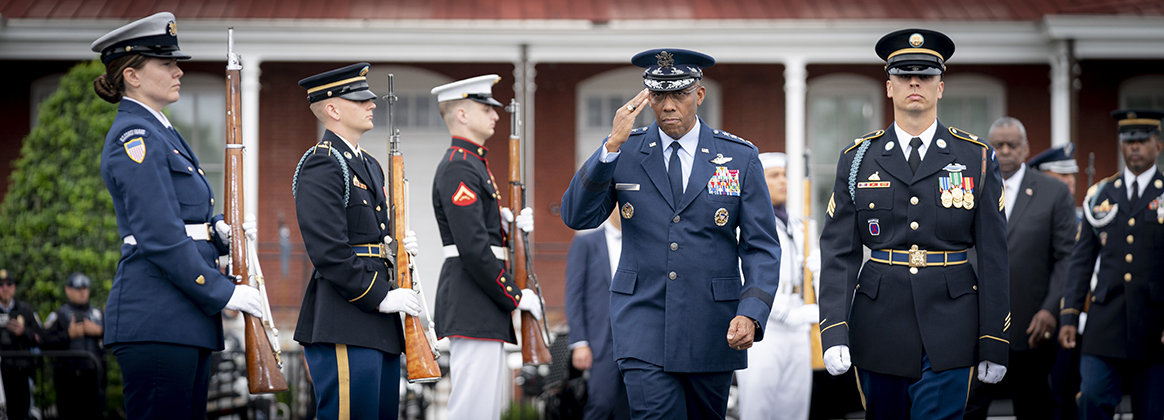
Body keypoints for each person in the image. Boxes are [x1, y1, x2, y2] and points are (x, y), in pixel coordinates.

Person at [560, 48, 782, 420]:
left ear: (699, 95)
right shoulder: (625, 151)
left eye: (678, 94)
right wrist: (609, 147)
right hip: (641, 322)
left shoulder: (739, 157)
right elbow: (576, 216)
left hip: (713, 324)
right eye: (659, 95)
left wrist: (753, 311)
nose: (668, 105)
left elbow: (761, 246)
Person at [817, 29, 1010, 420]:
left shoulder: (975, 157)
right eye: (904, 75)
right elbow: (839, 251)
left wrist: (994, 340)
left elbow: (994, 256)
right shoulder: (859, 158)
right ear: (889, 87)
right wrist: (834, 329)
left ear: (941, 86)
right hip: (879, 323)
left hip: (952, 325)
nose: (915, 82)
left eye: (926, 74)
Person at [92, 12, 263, 419]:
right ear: (132, 75)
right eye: (166, 63)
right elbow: (159, 235)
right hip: (158, 316)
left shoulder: (161, 131)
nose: (178, 71)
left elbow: (183, 217)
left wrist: (218, 231)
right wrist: (222, 291)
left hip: (180, 318)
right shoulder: (134, 137)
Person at [292, 63, 422, 419]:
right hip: (346, 317)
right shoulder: (323, 163)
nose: (372, 104)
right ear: (332, 109)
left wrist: (397, 249)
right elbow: (328, 250)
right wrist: (380, 296)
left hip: (379, 322)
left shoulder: (370, 164)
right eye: (359, 98)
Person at [430, 74, 540, 420]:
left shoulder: (473, 163)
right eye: (485, 107)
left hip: (481, 300)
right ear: (461, 114)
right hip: (473, 298)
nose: (495, 115)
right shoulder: (460, 166)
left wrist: (509, 227)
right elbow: (474, 247)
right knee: (472, 409)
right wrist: (515, 295)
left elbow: (484, 238)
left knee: (487, 409)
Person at [963, 117, 1076, 420]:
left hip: (1033, 330)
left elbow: (1067, 257)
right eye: (997, 145)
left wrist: (1051, 310)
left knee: (1035, 408)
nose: (1005, 151)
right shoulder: (967, 189)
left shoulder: (1054, 192)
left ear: (1026, 149)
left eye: (1012, 145)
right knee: (967, 410)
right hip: (977, 328)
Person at [1058, 108, 1164, 420]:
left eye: (1143, 140)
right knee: (1091, 398)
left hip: (1154, 323)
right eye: (1129, 140)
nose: (1135, 146)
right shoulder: (1101, 194)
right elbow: (1081, 261)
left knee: (1153, 411)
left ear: (1158, 145)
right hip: (1106, 322)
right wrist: (1069, 315)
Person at [735, 152, 819, 420]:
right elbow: (743, 278)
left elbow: (812, 272)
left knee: (794, 408)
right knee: (757, 408)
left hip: (799, 328)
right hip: (763, 326)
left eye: (784, 175)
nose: (783, 181)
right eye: (774, 176)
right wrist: (789, 314)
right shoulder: (744, 224)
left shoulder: (798, 223)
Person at [565, 211, 630, 420]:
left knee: (631, 409)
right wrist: (579, 342)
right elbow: (574, 294)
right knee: (601, 404)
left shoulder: (643, 242)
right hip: (602, 341)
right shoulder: (585, 242)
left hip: (637, 339)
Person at [43, 273, 106, 420]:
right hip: (68, 380)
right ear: (68, 290)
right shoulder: (59, 315)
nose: (82, 292)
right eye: (78, 288)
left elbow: (115, 340)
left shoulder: (98, 314)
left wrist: (99, 331)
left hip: (94, 379)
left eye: (85, 288)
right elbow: (44, 342)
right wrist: (68, 335)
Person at [0, 269, 43, 420]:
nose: (5, 288)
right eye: (1, 284)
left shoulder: (25, 310)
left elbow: (41, 338)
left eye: (8, 284)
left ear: (14, 287)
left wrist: (24, 331)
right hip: (1, 374)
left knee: (23, 413)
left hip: (21, 372)